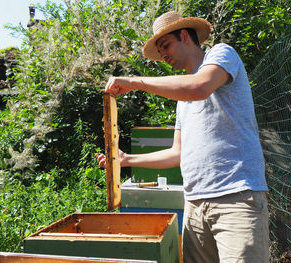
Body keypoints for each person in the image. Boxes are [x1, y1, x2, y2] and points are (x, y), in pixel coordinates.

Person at [96, 10, 269, 263]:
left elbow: (199, 87)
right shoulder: (182, 98)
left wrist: (134, 82)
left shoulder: (221, 54)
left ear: (185, 36)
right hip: (195, 205)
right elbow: (178, 153)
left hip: (236, 198)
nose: (163, 55)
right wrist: (126, 160)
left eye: (165, 45)